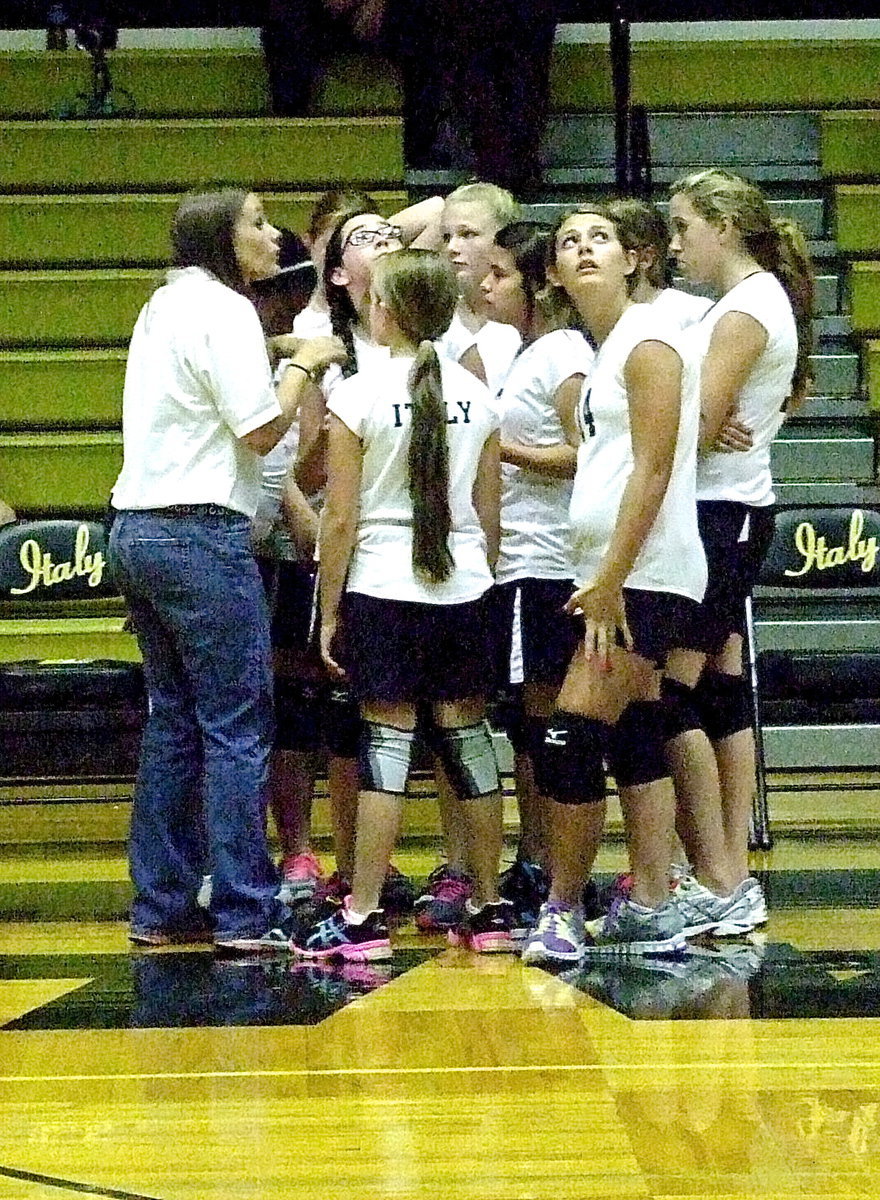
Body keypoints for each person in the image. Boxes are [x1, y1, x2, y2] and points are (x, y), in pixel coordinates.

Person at [108, 188, 345, 953]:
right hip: (202, 534)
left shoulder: (164, 306)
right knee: (238, 727)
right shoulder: (229, 312)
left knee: (174, 723)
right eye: (253, 220)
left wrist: (275, 355)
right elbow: (261, 428)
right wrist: (305, 362)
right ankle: (247, 909)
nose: (272, 235)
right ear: (219, 236)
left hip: (137, 529)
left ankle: (162, 904)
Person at [293, 247, 511, 961]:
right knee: (469, 744)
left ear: (384, 309)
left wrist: (328, 613)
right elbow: (487, 512)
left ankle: (360, 919)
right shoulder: (479, 397)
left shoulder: (356, 396)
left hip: (384, 587)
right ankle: (488, 908)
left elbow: (342, 520)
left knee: (385, 747)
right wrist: (482, 580)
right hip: (467, 586)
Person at [521, 202, 707, 962]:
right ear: (557, 273)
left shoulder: (650, 340)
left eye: (600, 237)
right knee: (634, 736)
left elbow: (655, 468)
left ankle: (562, 910)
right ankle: (656, 906)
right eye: (569, 242)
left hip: (642, 577)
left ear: (635, 258)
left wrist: (611, 579)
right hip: (609, 574)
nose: (585, 248)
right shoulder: (603, 350)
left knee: (568, 735)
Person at [662, 168, 814, 936]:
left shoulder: (745, 310)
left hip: (719, 515)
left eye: (684, 227)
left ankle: (718, 878)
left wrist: (683, 413)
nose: (676, 243)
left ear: (723, 226)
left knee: (666, 695)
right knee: (713, 688)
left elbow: (692, 429)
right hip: (727, 509)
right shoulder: (742, 304)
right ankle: (726, 875)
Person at [474, 220, 593, 936]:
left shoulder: (565, 355)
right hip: (518, 560)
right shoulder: (524, 353)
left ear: (538, 282)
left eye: (500, 273)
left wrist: (502, 448)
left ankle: (549, 863)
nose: (483, 284)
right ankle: (535, 853)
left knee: (546, 719)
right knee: (524, 720)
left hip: (549, 562)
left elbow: (589, 453)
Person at [437, 182, 523, 398]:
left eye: (467, 234)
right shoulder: (433, 316)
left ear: (504, 239)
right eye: (446, 236)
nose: (451, 248)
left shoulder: (524, 320)